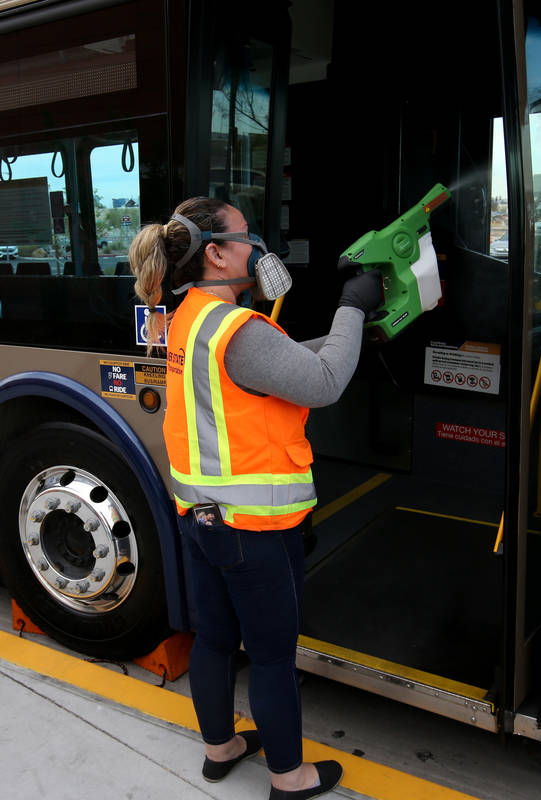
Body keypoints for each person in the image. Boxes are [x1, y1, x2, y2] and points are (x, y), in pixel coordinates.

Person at [128, 197, 383, 799]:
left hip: (202, 520)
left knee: (214, 640)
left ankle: (220, 748)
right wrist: (352, 306)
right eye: (248, 236)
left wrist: (350, 333)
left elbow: (282, 365)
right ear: (215, 254)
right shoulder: (236, 329)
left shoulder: (188, 317)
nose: (260, 247)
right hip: (255, 531)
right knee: (271, 656)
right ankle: (289, 779)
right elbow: (321, 383)